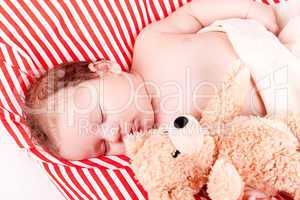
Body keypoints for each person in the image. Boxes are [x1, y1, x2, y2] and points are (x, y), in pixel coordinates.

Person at [25, 0, 279, 160]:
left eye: (101, 116)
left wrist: (248, 8)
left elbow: (195, 13)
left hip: (271, 41)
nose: (114, 135)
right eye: (102, 147)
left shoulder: (150, 42)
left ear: (104, 68)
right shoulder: (164, 145)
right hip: (284, 108)